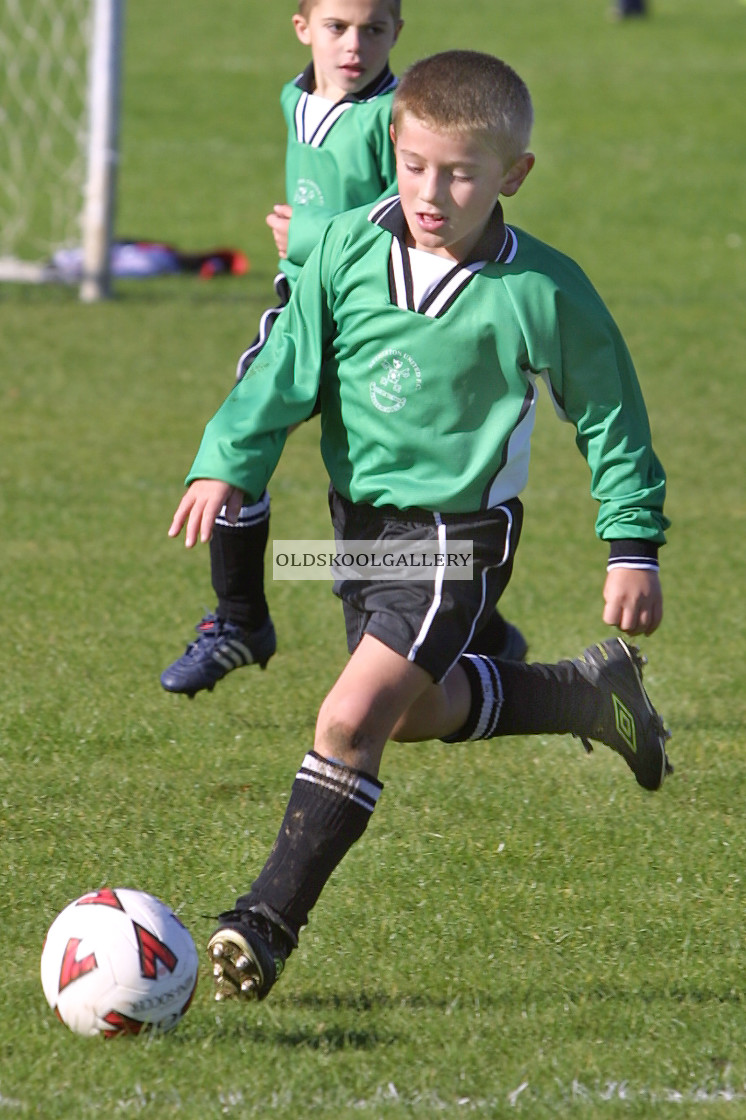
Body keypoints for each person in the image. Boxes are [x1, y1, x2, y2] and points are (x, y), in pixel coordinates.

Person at [168, 50, 672, 1003]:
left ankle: (263, 924)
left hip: (458, 537)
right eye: (414, 165)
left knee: (350, 717)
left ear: (513, 175)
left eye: (462, 172)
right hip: (354, 529)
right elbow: (285, 369)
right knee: (412, 717)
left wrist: (631, 543)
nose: (432, 192)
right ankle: (584, 694)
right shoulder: (348, 250)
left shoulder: (543, 290)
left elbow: (609, 411)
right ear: (391, 148)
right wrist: (225, 457)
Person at [159, 1, 532, 698]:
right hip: (303, 307)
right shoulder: (295, 97)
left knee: (398, 492)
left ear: (398, 34)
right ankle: (243, 618)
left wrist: (307, 236)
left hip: (371, 318)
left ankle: (476, 633)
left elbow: (412, 217)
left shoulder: (394, 116)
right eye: (336, 27)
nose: (354, 45)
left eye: (374, 30)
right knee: (244, 433)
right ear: (301, 27)